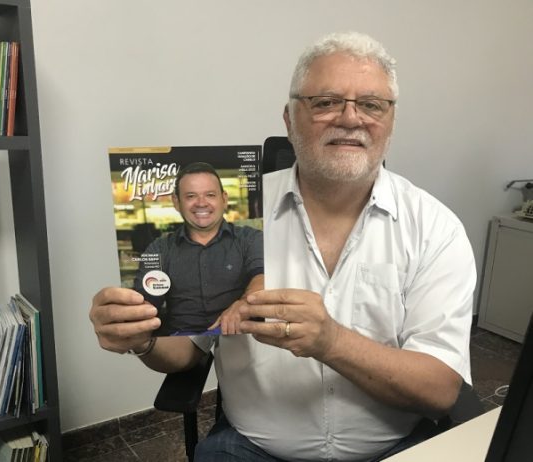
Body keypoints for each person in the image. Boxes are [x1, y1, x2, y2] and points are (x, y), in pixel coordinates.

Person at [90, 31, 476, 461]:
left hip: (393, 446)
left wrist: (331, 341)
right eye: (326, 102)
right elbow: (185, 351)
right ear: (290, 120)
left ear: (390, 122)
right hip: (251, 447)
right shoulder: (235, 222)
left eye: (371, 104)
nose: (351, 118)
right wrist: (141, 338)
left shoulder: (435, 228)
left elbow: (441, 389)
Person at [133, 161, 263, 338]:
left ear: (224, 199)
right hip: (179, 342)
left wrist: (244, 304)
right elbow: (145, 304)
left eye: (210, 195)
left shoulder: (250, 239)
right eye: (191, 196)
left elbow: (263, 276)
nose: (201, 203)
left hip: (237, 338)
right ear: (176, 202)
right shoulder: (160, 248)